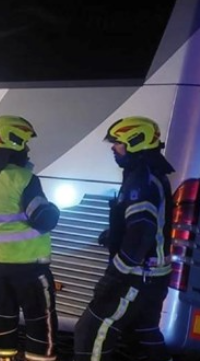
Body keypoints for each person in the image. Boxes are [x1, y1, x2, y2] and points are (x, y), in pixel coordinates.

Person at [74, 117, 175, 361]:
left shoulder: (141, 180)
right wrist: (116, 235)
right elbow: (145, 225)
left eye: (117, 142)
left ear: (135, 142)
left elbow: (141, 234)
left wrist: (114, 276)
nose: (113, 148)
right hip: (152, 277)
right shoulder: (148, 174)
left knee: (91, 332)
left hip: (137, 277)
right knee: (143, 336)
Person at [0, 115, 60, 361]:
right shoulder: (25, 179)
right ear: (14, 141)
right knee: (40, 324)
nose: (28, 148)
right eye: (24, 142)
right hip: (29, 268)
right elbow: (43, 218)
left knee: (3, 320)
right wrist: (54, 209)